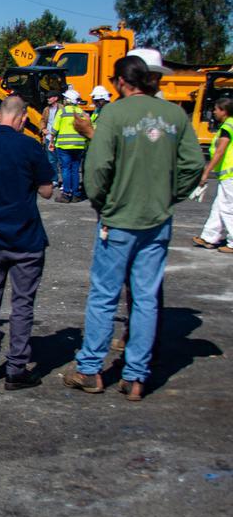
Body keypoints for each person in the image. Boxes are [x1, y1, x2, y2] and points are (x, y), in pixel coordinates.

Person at [64, 56, 203, 401]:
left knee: (104, 295)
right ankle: (136, 376)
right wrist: (170, 196)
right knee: (145, 298)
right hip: (156, 220)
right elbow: (193, 165)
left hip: (119, 218)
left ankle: (91, 369)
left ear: (122, 83)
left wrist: (102, 203)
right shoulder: (173, 115)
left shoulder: (114, 114)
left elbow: (98, 168)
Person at [0, 97, 54, 390]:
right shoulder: (30, 146)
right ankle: (17, 368)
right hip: (25, 237)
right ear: (20, 118)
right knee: (22, 303)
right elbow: (47, 191)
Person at [193, 97, 233, 253]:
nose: (214, 112)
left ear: (224, 111)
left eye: (216, 109)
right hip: (228, 175)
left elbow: (220, 151)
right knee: (219, 206)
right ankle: (209, 237)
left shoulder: (227, 128)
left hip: (229, 175)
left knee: (228, 208)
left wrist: (206, 171)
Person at [51, 87, 87, 203]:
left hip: (64, 146)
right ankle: (76, 194)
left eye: (66, 98)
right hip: (78, 145)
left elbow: (54, 129)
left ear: (68, 100)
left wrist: (51, 140)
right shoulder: (81, 112)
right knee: (75, 169)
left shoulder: (62, 111)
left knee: (66, 169)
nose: (64, 100)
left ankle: (66, 194)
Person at [40, 91, 63, 189]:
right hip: (50, 138)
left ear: (56, 98)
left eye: (50, 97)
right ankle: (54, 180)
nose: (48, 99)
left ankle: (64, 181)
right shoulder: (46, 109)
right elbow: (42, 120)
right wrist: (43, 129)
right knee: (51, 160)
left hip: (60, 138)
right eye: (47, 97)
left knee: (62, 161)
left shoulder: (62, 108)